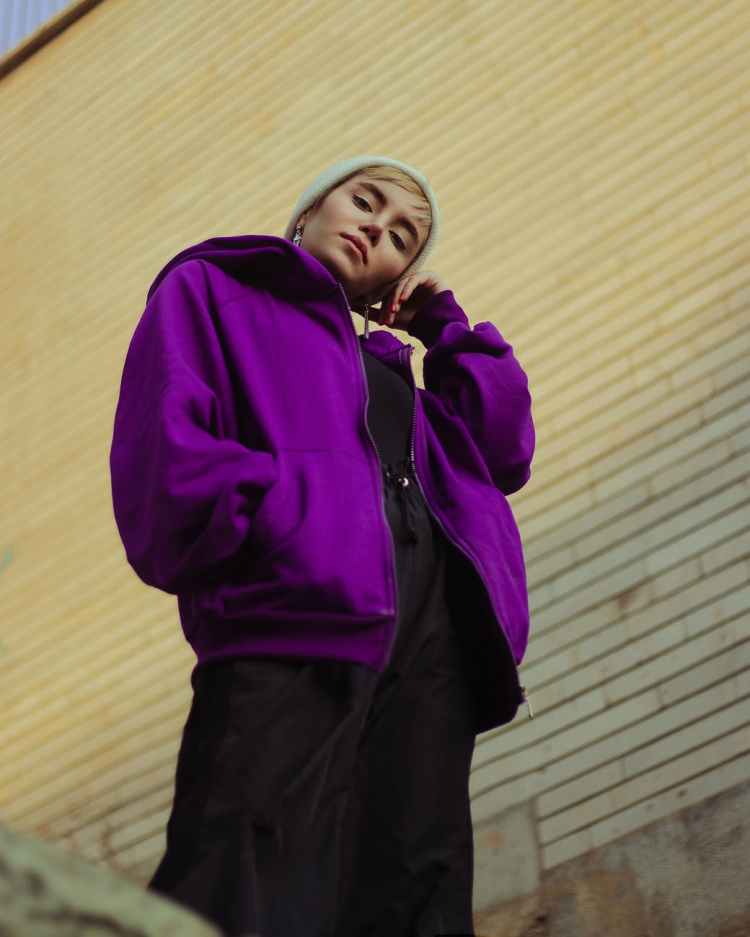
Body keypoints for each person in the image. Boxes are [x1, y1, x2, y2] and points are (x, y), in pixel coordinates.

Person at [108, 154, 535, 937]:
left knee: (419, 890)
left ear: (395, 278)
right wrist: (285, 525)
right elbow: (166, 454)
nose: (378, 228)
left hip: (430, 652)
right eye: (366, 201)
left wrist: (444, 328)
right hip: (293, 612)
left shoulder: (396, 373)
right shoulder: (216, 288)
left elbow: (503, 448)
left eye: (403, 236)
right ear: (309, 211)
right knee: (246, 868)